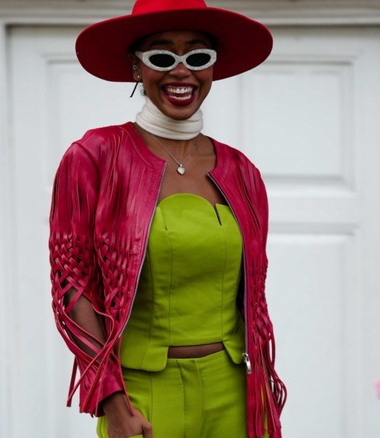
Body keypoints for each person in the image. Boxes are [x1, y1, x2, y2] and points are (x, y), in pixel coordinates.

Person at [49, 1, 286, 437]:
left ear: (212, 68)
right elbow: (72, 285)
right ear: (137, 67)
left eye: (198, 57)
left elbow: (252, 298)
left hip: (234, 390)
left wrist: (263, 399)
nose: (182, 73)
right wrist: (112, 401)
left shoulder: (242, 172)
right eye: (162, 57)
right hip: (142, 396)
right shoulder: (95, 157)